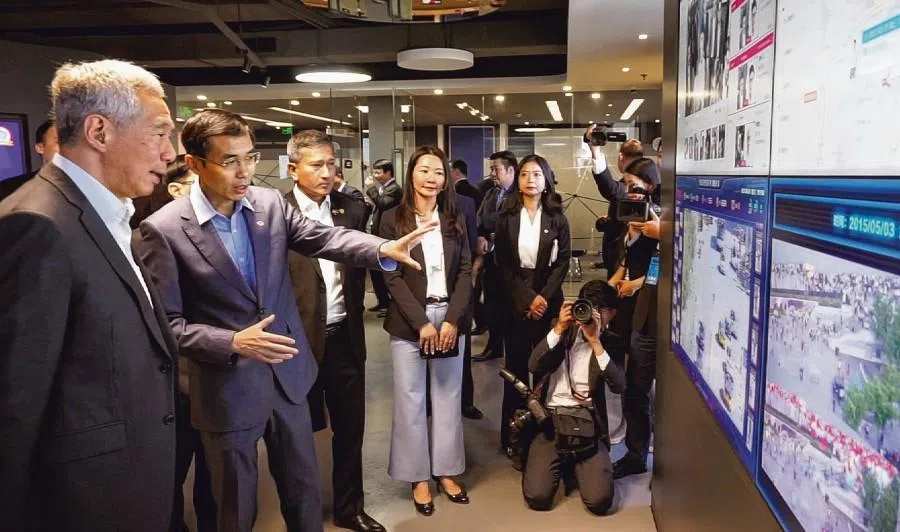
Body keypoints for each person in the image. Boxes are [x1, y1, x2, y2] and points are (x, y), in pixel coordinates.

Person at [136, 109, 434, 532]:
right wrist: (231, 342)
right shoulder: (162, 230)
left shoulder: (269, 205)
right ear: (195, 164)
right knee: (233, 507)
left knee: (303, 494)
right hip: (227, 388)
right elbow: (166, 325)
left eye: (251, 158)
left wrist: (381, 248)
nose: (245, 173)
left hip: (287, 378)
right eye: (230, 161)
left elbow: (325, 237)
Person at [0, 59, 178, 531]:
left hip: (129, 487)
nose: (171, 152)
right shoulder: (37, 226)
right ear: (99, 131)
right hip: (80, 504)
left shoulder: (106, 214)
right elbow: (13, 407)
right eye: (159, 133)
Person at [283, 130, 384, 532]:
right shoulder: (274, 211)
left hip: (345, 336)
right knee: (296, 437)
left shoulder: (351, 209)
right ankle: (302, 514)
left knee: (350, 429)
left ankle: (349, 508)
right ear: (293, 169)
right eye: (316, 165)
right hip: (296, 342)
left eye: (332, 164)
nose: (327, 173)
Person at [380, 146, 473, 517]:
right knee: (410, 399)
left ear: (446, 178)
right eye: (424, 170)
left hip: (449, 315)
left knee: (448, 396)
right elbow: (391, 275)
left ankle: (447, 471)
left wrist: (451, 319)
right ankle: (418, 477)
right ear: (412, 175)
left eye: (438, 171)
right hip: (409, 322)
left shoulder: (455, 217)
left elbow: (467, 270)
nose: (431, 178)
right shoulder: (391, 219)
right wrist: (421, 322)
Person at [523, 281, 626, 515]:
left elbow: (619, 384)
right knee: (537, 497)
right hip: (551, 423)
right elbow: (532, 365)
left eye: (601, 312)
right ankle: (562, 463)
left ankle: (576, 465)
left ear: (613, 314)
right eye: (589, 308)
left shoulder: (612, 342)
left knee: (599, 502)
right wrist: (559, 328)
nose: (592, 317)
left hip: (588, 427)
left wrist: (596, 341)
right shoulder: (560, 330)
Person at [494, 154, 571, 469]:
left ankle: (543, 436)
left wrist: (543, 298)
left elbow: (563, 261)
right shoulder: (505, 216)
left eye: (537, 174)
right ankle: (513, 438)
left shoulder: (557, 217)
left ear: (546, 179)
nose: (530, 180)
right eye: (525, 174)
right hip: (514, 300)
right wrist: (527, 299)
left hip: (547, 297)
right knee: (515, 369)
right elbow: (503, 263)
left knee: (544, 369)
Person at [157, 158, 217, 532]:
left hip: (213, 377)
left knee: (213, 473)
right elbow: (164, 321)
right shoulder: (154, 235)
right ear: (176, 190)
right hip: (174, 382)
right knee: (172, 470)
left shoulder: (218, 234)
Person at [614, 199, 661, 480]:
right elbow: (642, 264)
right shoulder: (654, 220)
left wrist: (665, 232)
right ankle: (636, 454)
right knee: (636, 390)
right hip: (645, 318)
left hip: (674, 322)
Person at [473, 150, 518, 361]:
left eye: (495, 169)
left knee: (509, 308)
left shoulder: (519, 194)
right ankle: (494, 345)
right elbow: (481, 219)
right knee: (491, 304)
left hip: (511, 261)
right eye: (491, 169)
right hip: (491, 258)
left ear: (510, 170)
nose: (492, 173)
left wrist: (495, 231)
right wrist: (482, 235)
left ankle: (511, 348)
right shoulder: (492, 193)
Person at [584, 129, 646, 275]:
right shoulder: (637, 182)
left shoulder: (635, 187)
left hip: (624, 259)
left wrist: (595, 150)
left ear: (620, 157)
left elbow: (610, 189)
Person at [365, 159, 402, 315]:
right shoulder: (383, 188)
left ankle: (391, 305)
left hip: (387, 236)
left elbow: (383, 204)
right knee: (376, 270)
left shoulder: (395, 189)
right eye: (374, 172)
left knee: (387, 271)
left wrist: (371, 189)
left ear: (388, 172)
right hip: (376, 233)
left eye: (378, 172)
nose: (375, 176)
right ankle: (383, 301)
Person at [0, 119, 58, 200]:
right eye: (59, 141)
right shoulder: (9, 189)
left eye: (72, 142)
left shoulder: (80, 186)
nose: (68, 148)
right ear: (40, 148)